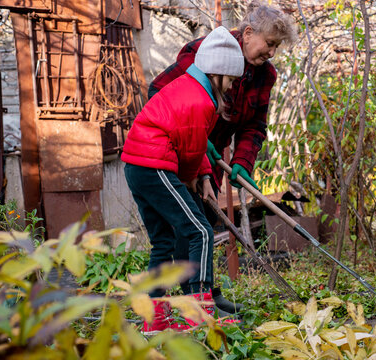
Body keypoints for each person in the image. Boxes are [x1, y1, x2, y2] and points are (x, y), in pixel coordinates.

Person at [148, 1, 297, 313]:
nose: (271, 52)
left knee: (204, 222)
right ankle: (192, 301)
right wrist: (197, 140)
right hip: (177, 151)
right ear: (247, 33)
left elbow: (255, 125)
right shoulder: (204, 51)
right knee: (186, 227)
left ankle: (203, 295)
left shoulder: (264, 75)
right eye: (269, 44)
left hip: (210, 160)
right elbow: (159, 92)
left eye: (276, 47)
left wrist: (243, 162)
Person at [122, 26, 245, 334]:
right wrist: (194, 177)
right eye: (230, 80)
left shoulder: (188, 86)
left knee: (163, 241)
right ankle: (199, 313)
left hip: (137, 166)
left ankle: (156, 319)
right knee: (201, 231)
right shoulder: (200, 101)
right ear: (217, 73)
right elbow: (190, 150)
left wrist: (204, 174)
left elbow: (193, 140)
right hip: (155, 165)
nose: (230, 88)